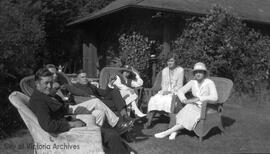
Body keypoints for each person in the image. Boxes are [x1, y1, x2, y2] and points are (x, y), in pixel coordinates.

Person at [29, 68, 133, 154]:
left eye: (51, 83)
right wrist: (72, 124)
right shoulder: (39, 101)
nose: (50, 86)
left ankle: (126, 151)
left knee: (109, 133)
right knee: (111, 135)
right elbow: (48, 125)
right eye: (46, 83)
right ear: (37, 83)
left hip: (67, 124)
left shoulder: (43, 96)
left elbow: (55, 115)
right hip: (66, 134)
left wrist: (71, 118)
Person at [154, 62, 218, 140]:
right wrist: (183, 99)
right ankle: (175, 131)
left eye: (200, 72)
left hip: (206, 107)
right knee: (186, 110)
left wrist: (199, 98)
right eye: (196, 72)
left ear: (204, 73)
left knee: (188, 114)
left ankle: (166, 132)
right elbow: (180, 91)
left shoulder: (209, 83)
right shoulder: (192, 82)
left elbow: (215, 97)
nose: (198, 74)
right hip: (194, 105)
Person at [145, 53, 184, 128]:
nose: (169, 63)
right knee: (154, 99)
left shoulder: (180, 70)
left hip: (175, 93)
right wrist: (164, 91)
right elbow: (163, 84)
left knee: (169, 101)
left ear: (175, 61)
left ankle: (171, 123)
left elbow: (180, 86)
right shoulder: (164, 70)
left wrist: (170, 92)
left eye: (171, 61)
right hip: (165, 91)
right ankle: (149, 121)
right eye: (168, 61)